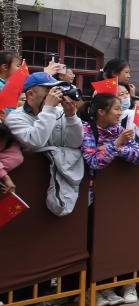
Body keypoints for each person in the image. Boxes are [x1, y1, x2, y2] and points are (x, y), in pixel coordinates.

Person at [80, 93, 139, 306]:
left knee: (113, 242)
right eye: (116, 109)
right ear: (101, 111)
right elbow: (93, 161)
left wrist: (115, 148)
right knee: (91, 243)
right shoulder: (86, 129)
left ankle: (109, 288)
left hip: (117, 199)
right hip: (91, 198)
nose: (120, 113)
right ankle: (93, 291)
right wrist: (117, 144)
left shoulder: (119, 130)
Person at [6, 73, 85, 217]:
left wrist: (71, 116)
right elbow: (36, 142)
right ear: (30, 94)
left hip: (60, 183)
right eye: (48, 90)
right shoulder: (15, 118)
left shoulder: (59, 112)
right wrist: (48, 109)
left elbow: (75, 143)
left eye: (55, 90)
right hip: (30, 187)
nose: (54, 95)